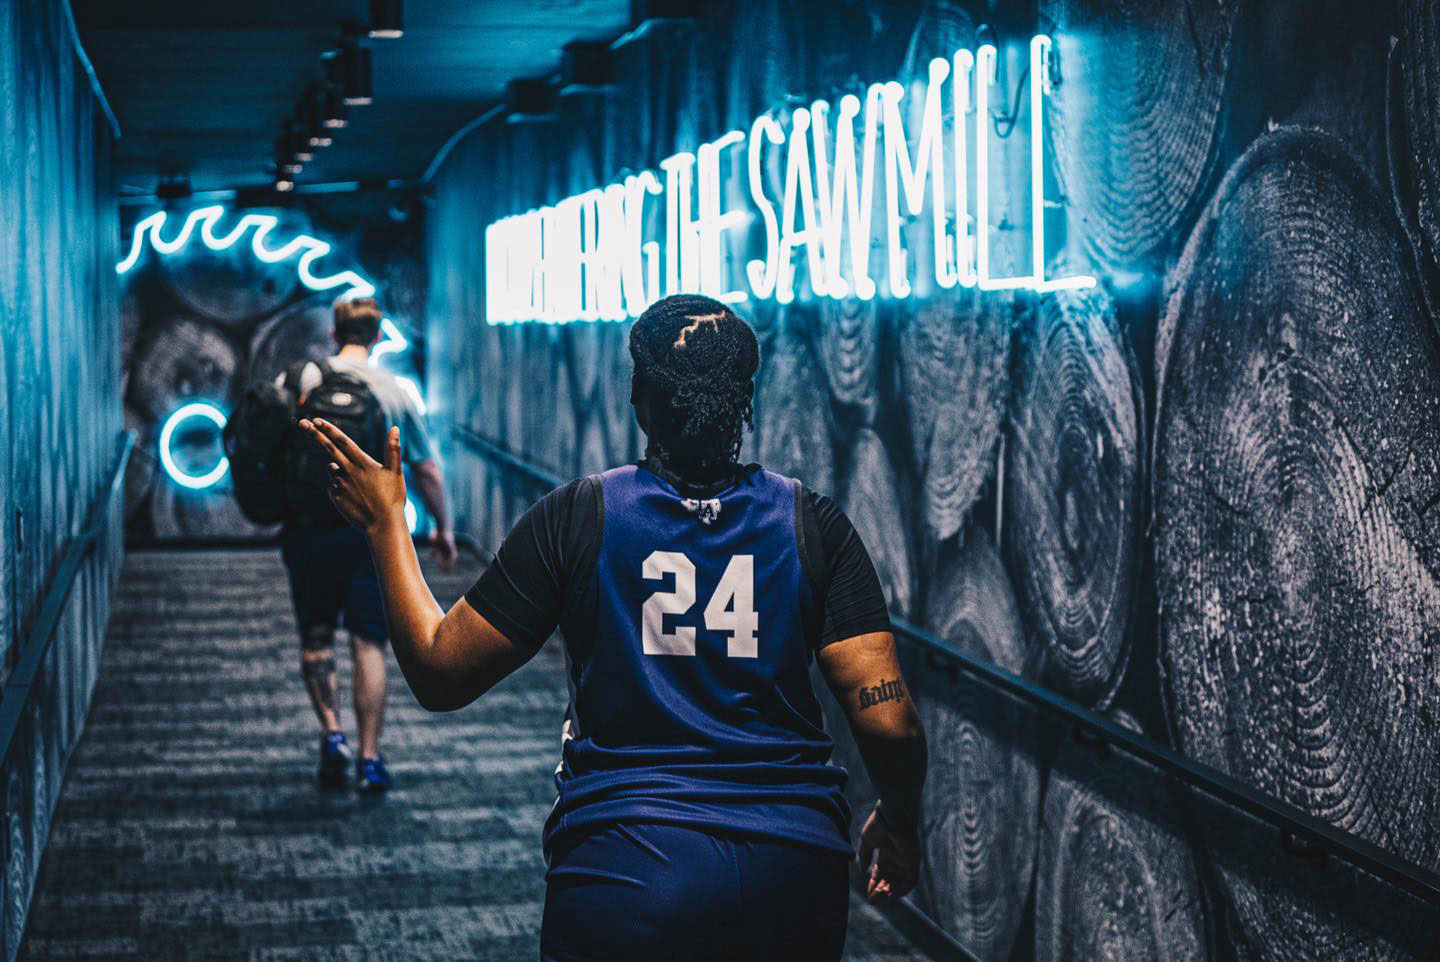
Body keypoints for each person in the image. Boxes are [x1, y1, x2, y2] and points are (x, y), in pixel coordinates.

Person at [300, 294, 927, 959]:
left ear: (637, 396)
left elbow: (439, 670)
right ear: (747, 399)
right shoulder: (813, 525)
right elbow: (891, 722)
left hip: (624, 868)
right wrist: (901, 821)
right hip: (791, 873)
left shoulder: (582, 516)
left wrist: (386, 524)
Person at [280, 296, 457, 794]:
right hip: (369, 534)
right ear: (377, 336)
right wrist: (444, 527)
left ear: (335, 333)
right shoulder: (392, 392)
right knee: (369, 643)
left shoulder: (299, 381)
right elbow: (425, 468)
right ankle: (369, 757)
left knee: (315, 640)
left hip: (308, 529)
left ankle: (332, 733)